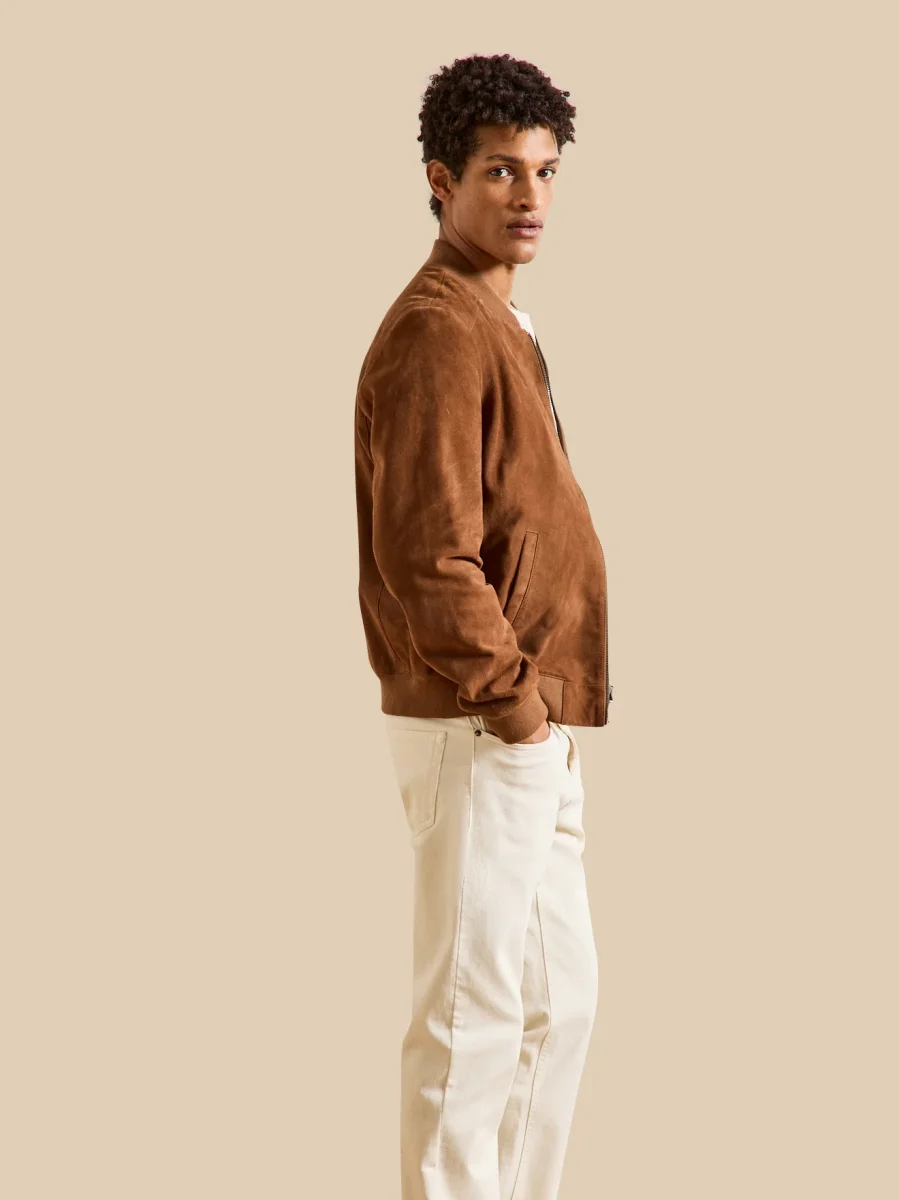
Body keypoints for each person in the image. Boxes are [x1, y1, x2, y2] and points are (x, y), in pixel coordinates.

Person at [353, 52, 613, 1200]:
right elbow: (427, 553)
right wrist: (513, 709)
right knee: (469, 1025)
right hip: (479, 724)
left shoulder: (495, 318)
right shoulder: (437, 331)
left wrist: (537, 720)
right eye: (500, 171)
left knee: (558, 1007)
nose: (529, 196)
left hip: (523, 728)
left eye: (544, 172)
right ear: (440, 179)